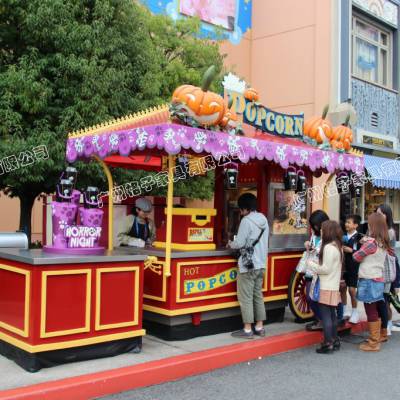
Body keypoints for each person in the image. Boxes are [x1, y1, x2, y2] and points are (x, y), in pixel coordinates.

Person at [228, 193, 269, 339]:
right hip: (261, 265)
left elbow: (239, 243)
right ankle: (260, 326)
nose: (240, 212)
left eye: (241, 209)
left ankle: (247, 329)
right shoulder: (263, 219)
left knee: (245, 297)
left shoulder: (246, 221)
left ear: (245, 208)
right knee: (258, 295)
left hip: (248, 265)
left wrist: (230, 244)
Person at [353, 212, 389, 352]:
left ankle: (373, 343)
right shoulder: (382, 242)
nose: (367, 224)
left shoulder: (371, 244)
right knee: (375, 309)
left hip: (368, 279)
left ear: (373, 225)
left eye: (369, 223)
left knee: (371, 311)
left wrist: (363, 244)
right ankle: (376, 337)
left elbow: (356, 257)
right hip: (378, 279)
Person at [307, 220, 342, 354]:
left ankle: (328, 343)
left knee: (326, 316)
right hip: (333, 285)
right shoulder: (337, 246)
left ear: (327, 231)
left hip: (325, 285)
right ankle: (335, 340)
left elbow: (325, 269)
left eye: (322, 229)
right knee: (332, 315)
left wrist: (311, 264)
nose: (320, 231)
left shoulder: (328, 247)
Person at [304, 210, 329, 332]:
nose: (314, 227)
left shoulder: (329, 236)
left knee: (320, 298)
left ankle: (323, 321)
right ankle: (320, 319)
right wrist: (308, 245)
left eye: (315, 225)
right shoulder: (314, 235)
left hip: (321, 270)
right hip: (310, 269)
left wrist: (317, 250)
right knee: (310, 296)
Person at [376, 204, 398, 335]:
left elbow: (383, 248)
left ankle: (387, 324)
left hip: (388, 268)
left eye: (381, 213)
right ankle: (385, 324)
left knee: (386, 298)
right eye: (377, 213)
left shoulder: (390, 232)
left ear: (387, 215)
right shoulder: (378, 230)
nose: (378, 216)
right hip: (380, 268)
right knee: (382, 298)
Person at [342, 214, 362, 324]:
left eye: (349, 222)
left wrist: (351, 251)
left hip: (354, 267)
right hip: (344, 267)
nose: (346, 224)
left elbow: (362, 253)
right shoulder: (343, 236)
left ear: (355, 225)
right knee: (343, 288)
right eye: (346, 222)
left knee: (352, 290)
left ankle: (355, 312)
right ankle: (345, 310)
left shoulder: (360, 238)